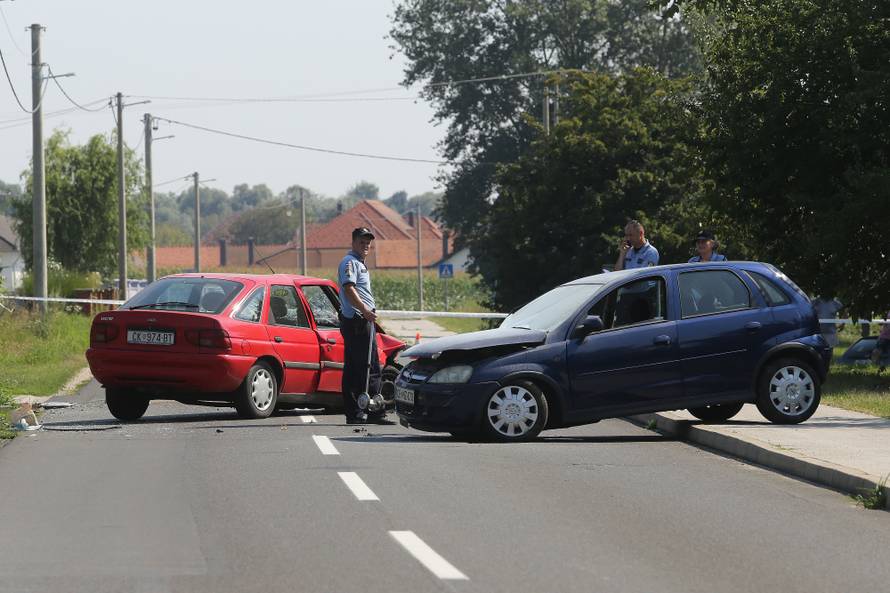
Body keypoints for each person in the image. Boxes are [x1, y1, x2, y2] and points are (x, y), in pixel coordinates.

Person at [337, 227, 388, 424]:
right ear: (353, 242)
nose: (365, 245)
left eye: (368, 243)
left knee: (353, 368)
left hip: (360, 319)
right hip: (358, 320)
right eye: (361, 242)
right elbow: (349, 288)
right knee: (370, 366)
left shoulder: (358, 263)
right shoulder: (349, 262)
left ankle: (354, 413)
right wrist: (365, 310)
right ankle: (375, 411)